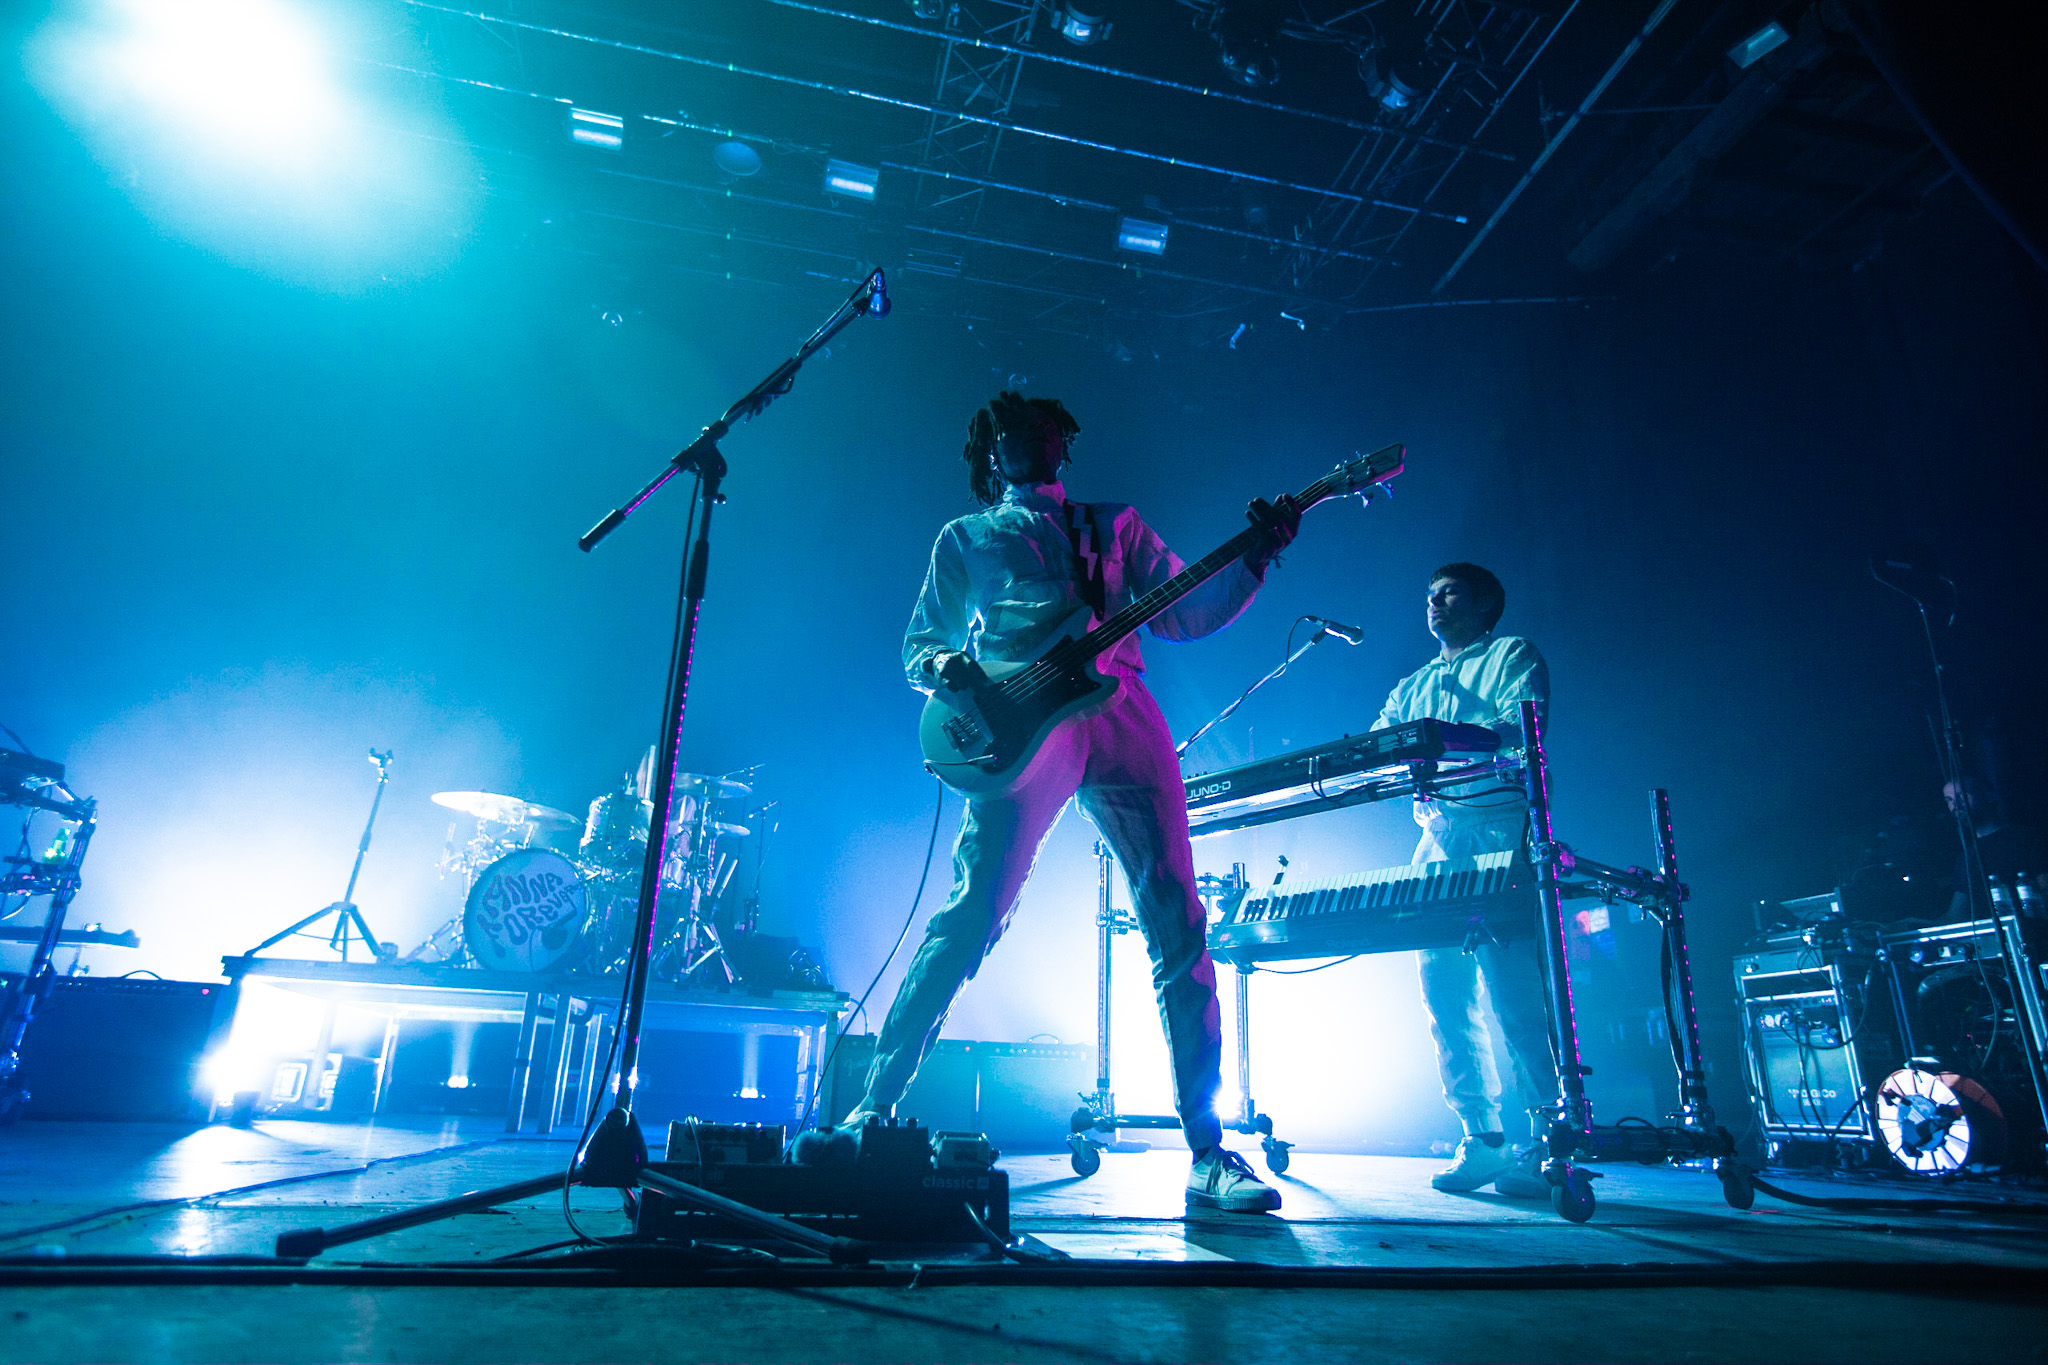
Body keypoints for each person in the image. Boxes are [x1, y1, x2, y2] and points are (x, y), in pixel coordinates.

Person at [845, 390, 1299, 1213]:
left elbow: (1186, 611)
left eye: (1045, 425)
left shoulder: (1115, 523)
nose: (1031, 436)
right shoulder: (967, 536)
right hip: (1019, 724)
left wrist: (1255, 560)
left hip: (1121, 705)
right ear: (991, 451)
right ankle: (872, 1106)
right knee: (973, 913)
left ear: (1066, 440)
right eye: (1012, 429)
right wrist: (950, 667)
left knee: (1178, 916)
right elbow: (923, 643)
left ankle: (1208, 1148)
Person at [1371, 563, 1557, 1198]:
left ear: (1484, 604)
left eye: (1449, 593)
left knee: (1516, 995)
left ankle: (1547, 1140)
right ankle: (1482, 1137)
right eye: (1429, 595)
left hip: (1501, 829)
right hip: (1438, 839)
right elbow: (1379, 749)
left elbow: (1521, 728)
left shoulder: (1512, 655)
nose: (1435, 603)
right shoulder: (1412, 685)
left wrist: (1436, 743)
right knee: (1444, 993)